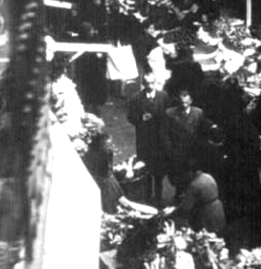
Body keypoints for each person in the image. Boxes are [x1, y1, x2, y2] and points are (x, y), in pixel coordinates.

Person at [127, 73, 169, 204]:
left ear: (155, 83)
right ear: (143, 84)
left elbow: (169, 115)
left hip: (159, 140)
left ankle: (158, 197)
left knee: (159, 170)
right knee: (145, 169)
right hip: (144, 140)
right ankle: (147, 197)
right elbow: (130, 116)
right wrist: (140, 119)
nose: (150, 86)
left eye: (152, 83)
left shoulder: (163, 96)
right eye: (147, 83)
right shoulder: (136, 98)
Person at [163, 90, 213, 189]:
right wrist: (169, 150)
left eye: (186, 102)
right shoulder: (170, 113)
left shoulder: (198, 112)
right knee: (177, 177)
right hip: (176, 151)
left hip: (192, 151)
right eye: (182, 102)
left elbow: (202, 129)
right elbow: (164, 133)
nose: (184, 105)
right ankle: (178, 195)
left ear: (191, 101)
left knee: (191, 176)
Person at [175, 156, 226, 234]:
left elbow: (186, 207)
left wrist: (175, 212)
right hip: (218, 207)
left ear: (189, 172)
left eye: (184, 175)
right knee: (219, 234)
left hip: (208, 213)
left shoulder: (194, 185)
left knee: (209, 238)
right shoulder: (207, 176)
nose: (184, 178)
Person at [82, 133, 124, 214]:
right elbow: (106, 171)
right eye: (107, 145)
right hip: (103, 181)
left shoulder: (104, 152)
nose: (110, 148)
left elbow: (108, 170)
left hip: (103, 178)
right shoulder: (104, 153)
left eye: (109, 145)